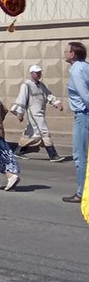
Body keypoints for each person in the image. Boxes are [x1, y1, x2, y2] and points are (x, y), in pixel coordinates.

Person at [11, 65, 65, 161]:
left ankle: (19, 151)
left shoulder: (41, 85)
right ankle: (53, 155)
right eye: (37, 72)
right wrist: (20, 113)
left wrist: (56, 102)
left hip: (40, 112)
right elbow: (22, 99)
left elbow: (48, 95)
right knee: (44, 132)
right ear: (31, 73)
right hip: (33, 113)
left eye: (40, 72)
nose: (39, 74)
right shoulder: (26, 85)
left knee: (32, 133)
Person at [63, 41, 89, 204]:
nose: (64, 53)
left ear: (73, 54)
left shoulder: (77, 71)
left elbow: (85, 96)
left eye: (66, 51)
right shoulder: (85, 67)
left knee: (79, 156)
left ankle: (81, 193)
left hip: (83, 115)